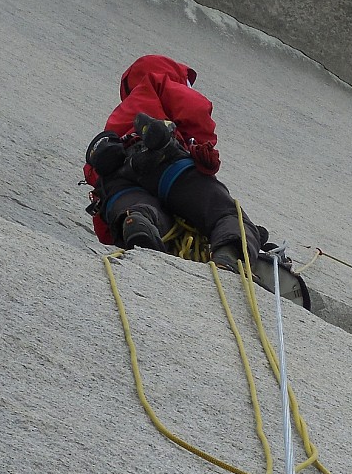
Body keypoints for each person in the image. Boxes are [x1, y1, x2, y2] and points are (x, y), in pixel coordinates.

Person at [83, 54, 308, 305]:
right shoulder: (158, 82)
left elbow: (98, 192)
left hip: (118, 181)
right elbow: (194, 107)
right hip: (164, 161)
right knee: (225, 213)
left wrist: (114, 229)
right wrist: (204, 145)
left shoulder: (116, 123)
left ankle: (138, 221)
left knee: (145, 209)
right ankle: (229, 253)